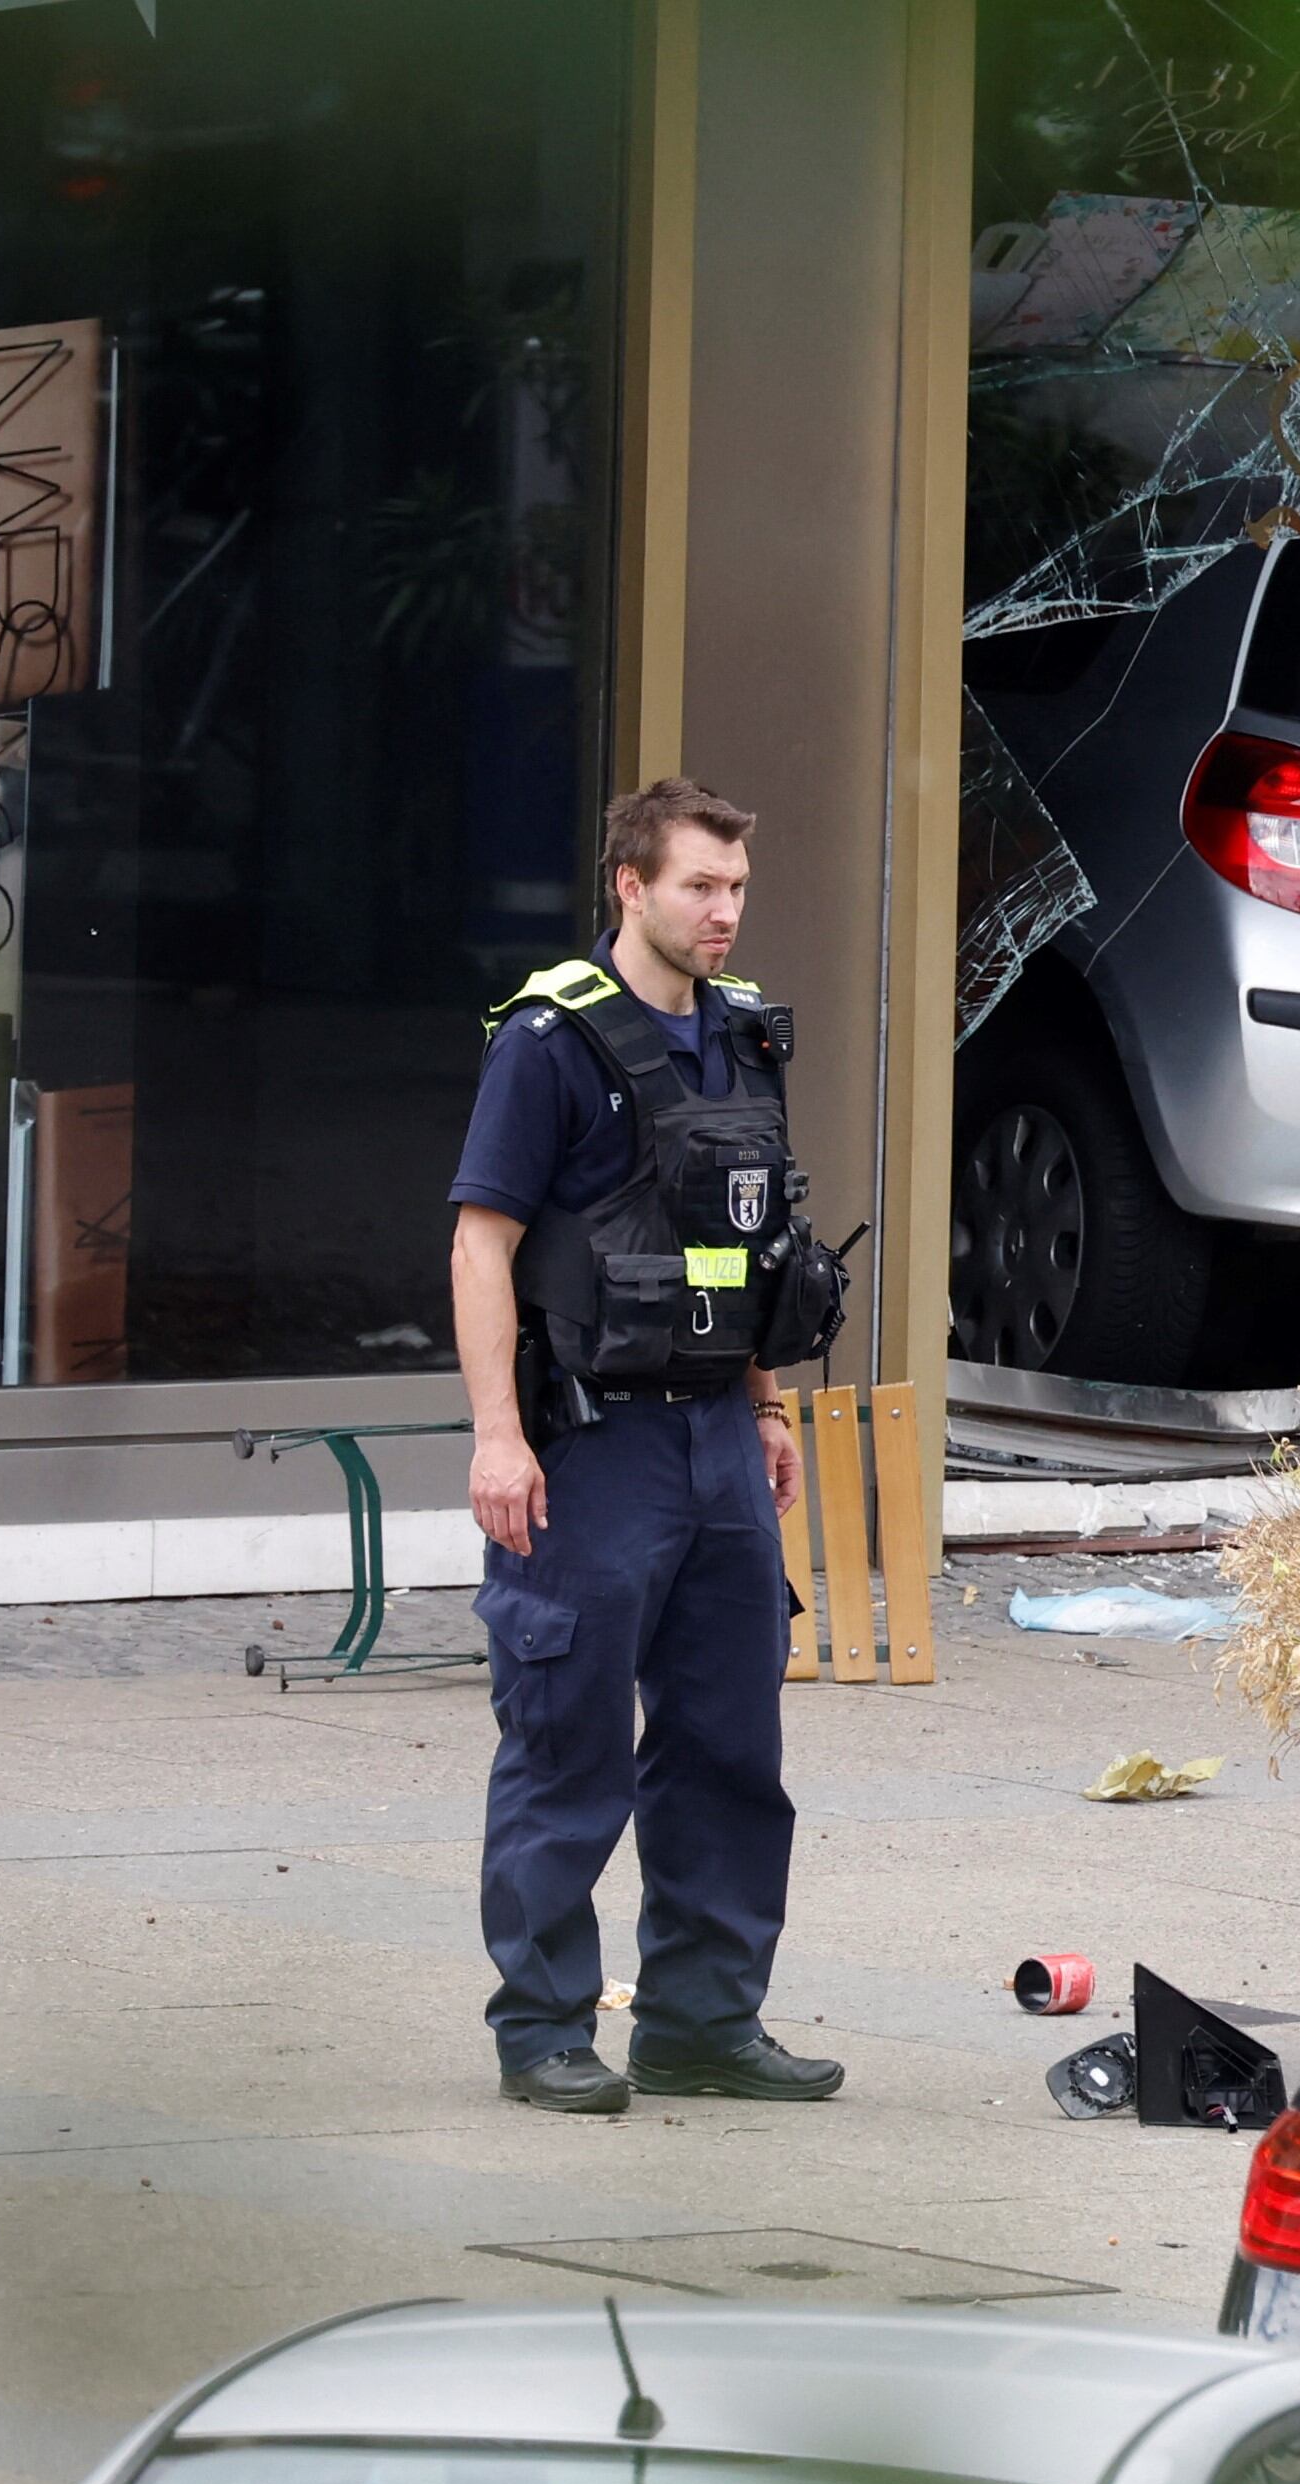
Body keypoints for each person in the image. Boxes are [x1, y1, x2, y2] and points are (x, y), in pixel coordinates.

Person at [448, 779, 851, 2114]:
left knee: (732, 1746)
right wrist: (498, 1437)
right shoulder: (549, 1041)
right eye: (698, 886)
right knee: (568, 1742)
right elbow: (480, 1244)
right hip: (589, 1445)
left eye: (736, 887)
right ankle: (544, 2028)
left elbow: (735, 1245)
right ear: (630, 883)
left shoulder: (744, 1036)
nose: (724, 911)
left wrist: (768, 1403)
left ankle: (701, 2020)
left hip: (715, 1443)